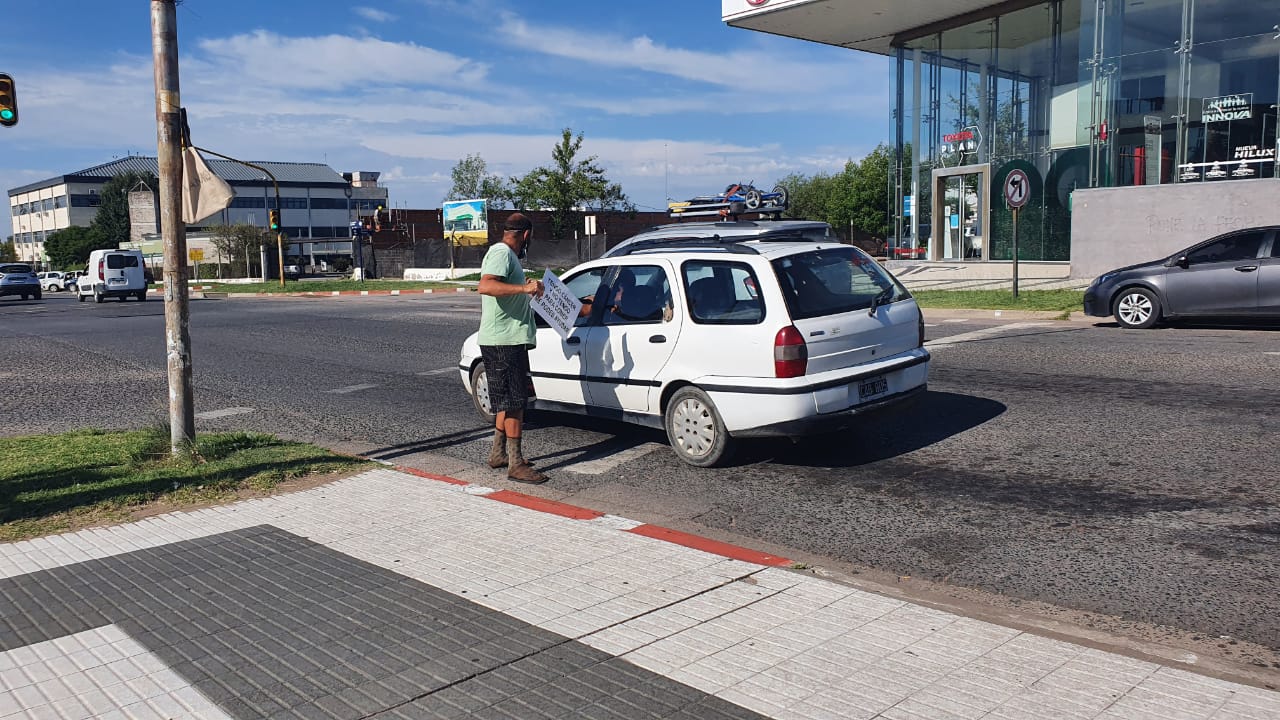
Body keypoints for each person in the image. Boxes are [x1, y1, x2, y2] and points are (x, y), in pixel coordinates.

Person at [477, 213, 548, 484]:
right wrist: (523, 287)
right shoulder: (502, 253)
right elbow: (485, 285)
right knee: (516, 402)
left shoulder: (507, 257)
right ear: (526, 235)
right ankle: (516, 464)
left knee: (506, 401)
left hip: (507, 339)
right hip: (503, 342)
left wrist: (525, 286)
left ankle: (498, 453)